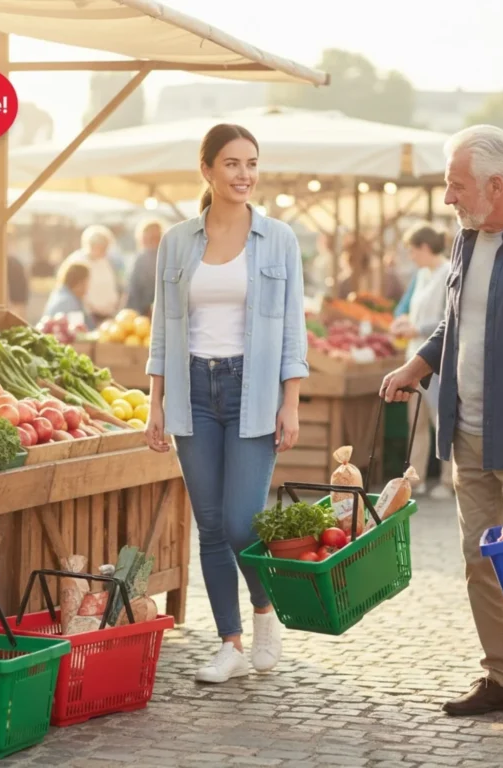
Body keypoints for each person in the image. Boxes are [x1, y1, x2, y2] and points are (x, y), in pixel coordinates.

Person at [381, 124, 503, 727]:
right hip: (467, 435)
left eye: (456, 186)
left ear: (496, 184)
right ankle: (497, 677)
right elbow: (455, 323)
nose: (448, 198)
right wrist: (418, 363)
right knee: (478, 562)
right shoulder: (464, 241)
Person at [145, 123, 308, 684]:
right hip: (192, 389)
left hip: (252, 389)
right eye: (233, 163)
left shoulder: (279, 239)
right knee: (210, 525)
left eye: (252, 163)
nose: (245, 174)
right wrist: (155, 402)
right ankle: (229, 643)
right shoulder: (176, 241)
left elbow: (292, 326)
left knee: (241, 521)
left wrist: (291, 401)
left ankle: (264, 610)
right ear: (208, 170)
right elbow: (162, 327)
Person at [389, 222, 453, 499]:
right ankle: (415, 481)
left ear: (425, 247)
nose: (411, 256)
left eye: (413, 250)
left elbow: (450, 319)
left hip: (437, 361)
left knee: (442, 421)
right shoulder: (421, 274)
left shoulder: (449, 272)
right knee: (417, 424)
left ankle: (449, 481)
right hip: (413, 358)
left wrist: (417, 329)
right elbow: (404, 307)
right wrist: (401, 320)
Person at [60, 225, 121, 324]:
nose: (105, 252)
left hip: (108, 315)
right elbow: (76, 290)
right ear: (93, 245)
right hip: (90, 316)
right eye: (103, 248)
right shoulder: (78, 261)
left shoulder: (105, 261)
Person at [125, 218, 165, 317]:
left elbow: (134, 290)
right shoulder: (144, 257)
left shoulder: (145, 257)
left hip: (148, 311)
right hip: (148, 311)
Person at [40, 261, 94, 330]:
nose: (88, 287)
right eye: (87, 282)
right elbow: (78, 332)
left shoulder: (59, 294)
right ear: (79, 283)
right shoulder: (69, 303)